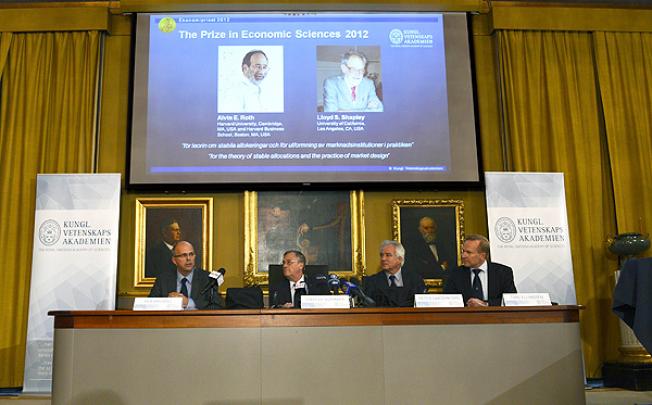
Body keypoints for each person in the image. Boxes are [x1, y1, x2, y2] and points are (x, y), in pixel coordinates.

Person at [443, 234, 517, 307]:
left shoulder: (503, 272)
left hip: (495, 317)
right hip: (464, 317)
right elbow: (448, 301)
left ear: (482, 255)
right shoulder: (454, 274)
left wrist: (486, 304)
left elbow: (510, 300)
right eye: (463, 251)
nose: (463, 256)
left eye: (468, 252)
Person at [149, 241, 223, 309]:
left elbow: (218, 305)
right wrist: (168, 302)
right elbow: (150, 306)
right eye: (183, 255)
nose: (188, 259)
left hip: (198, 322)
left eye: (191, 254)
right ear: (174, 260)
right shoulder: (163, 279)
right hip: (169, 322)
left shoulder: (207, 279)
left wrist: (189, 303)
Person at [363, 240, 426, 307]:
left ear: (400, 259)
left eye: (388, 255)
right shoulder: (372, 282)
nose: (383, 259)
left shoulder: (415, 281)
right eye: (381, 255)